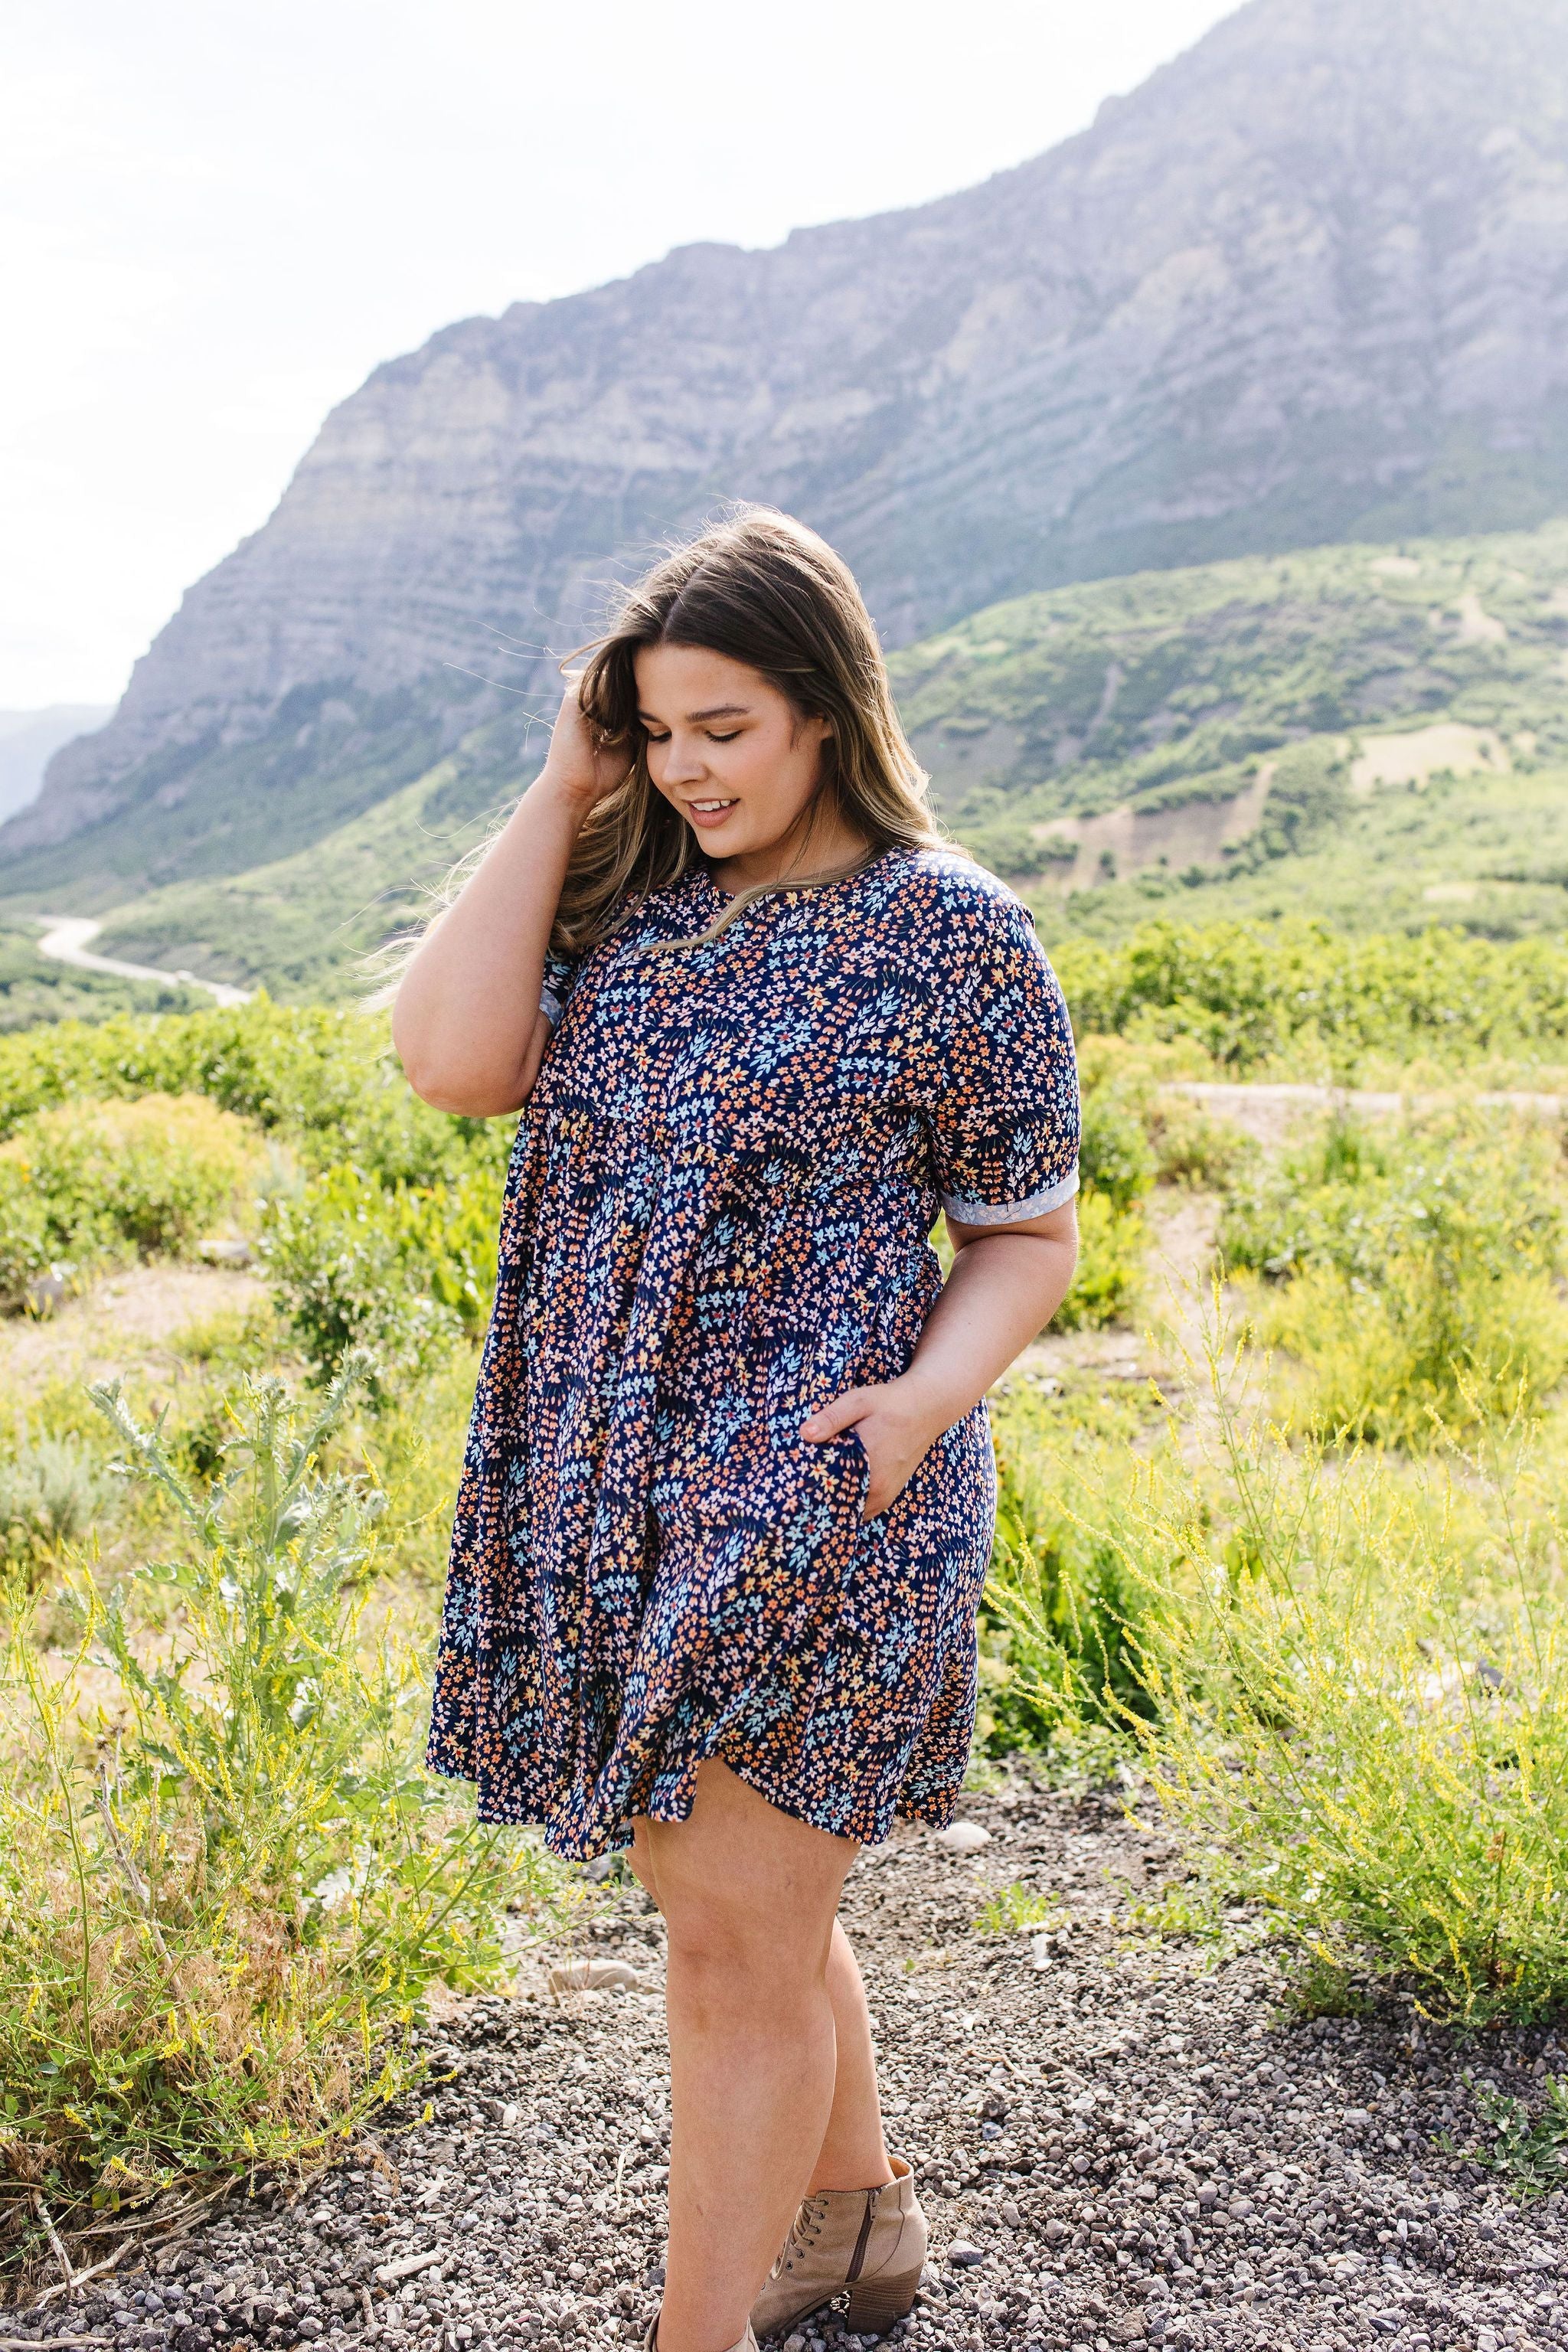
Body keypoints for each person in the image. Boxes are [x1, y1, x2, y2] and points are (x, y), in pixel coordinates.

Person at [393, 508, 1080, 2352]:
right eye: (657, 731)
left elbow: (1026, 1234)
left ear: (825, 710)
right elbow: (451, 1062)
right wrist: (567, 786)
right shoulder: (631, 903)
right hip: (608, 1478)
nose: (688, 768)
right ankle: (854, 2226)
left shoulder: (951, 933)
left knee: (726, 1936)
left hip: (822, 1484)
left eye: (727, 729)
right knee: (734, 1901)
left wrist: (916, 1410)